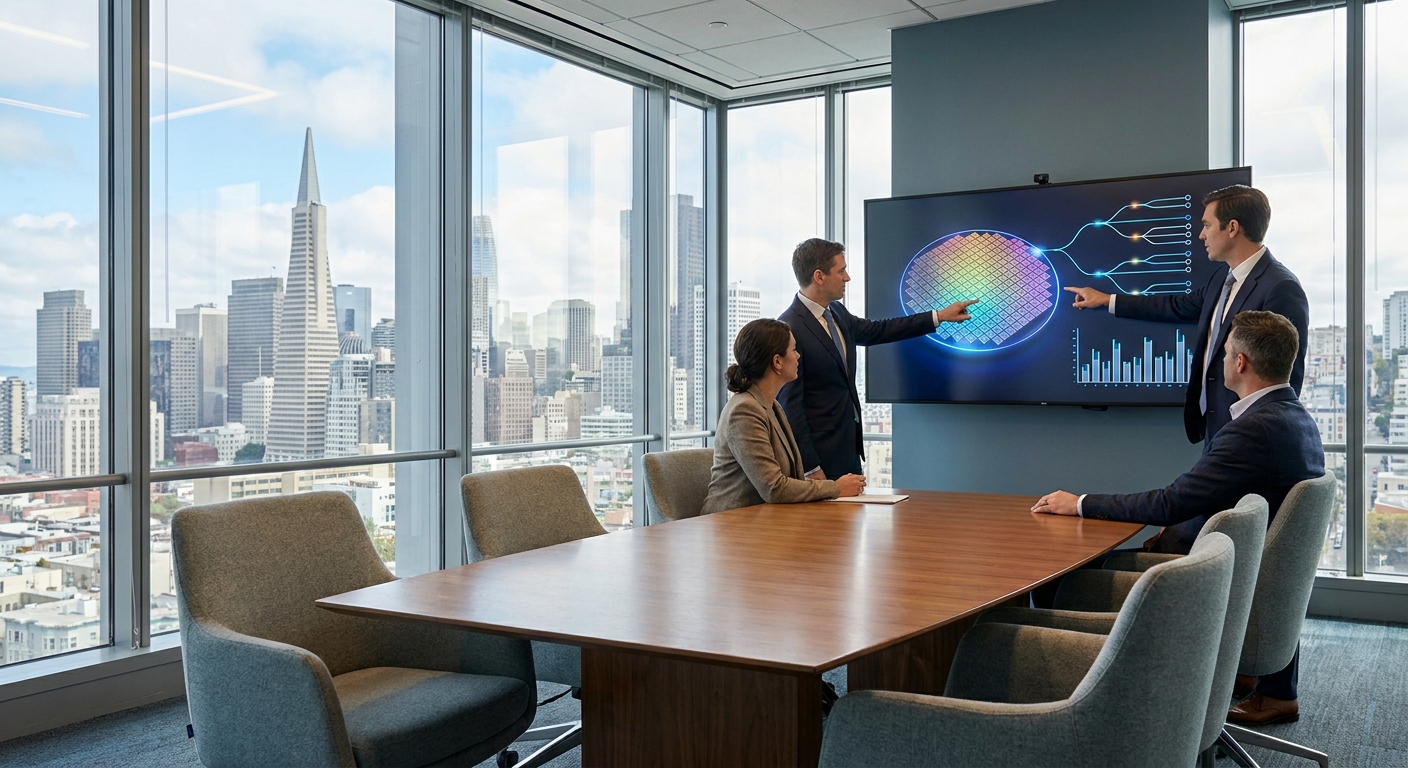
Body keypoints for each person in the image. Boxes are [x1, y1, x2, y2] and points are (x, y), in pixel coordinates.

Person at [1032, 310, 1323, 725]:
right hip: (1249, 582)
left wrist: (1079, 502)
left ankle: (1076, 704)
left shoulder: (1253, 430)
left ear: (1241, 363)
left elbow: (1172, 502)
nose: (1219, 361)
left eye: (1223, 353)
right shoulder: (1296, 418)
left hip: (1214, 586)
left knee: (1065, 577)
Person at [1065, 185, 1309, 453]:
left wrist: (1259, 435)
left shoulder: (1280, 287)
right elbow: (1177, 306)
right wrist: (1107, 300)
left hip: (1251, 437)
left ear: (1232, 228)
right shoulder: (1222, 278)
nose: (1201, 234)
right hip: (1216, 429)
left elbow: (1286, 377)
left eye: (1207, 225)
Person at [779, 238, 978, 481]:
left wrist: (938, 317)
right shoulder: (788, 328)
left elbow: (878, 330)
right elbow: (790, 408)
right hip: (818, 464)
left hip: (848, 453)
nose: (847, 277)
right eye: (841, 271)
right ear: (819, 276)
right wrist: (810, 468)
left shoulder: (837, 313)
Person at [701, 318, 866, 516]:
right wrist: (836, 488)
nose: (798, 356)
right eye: (794, 350)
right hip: (731, 526)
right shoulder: (744, 410)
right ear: (777, 361)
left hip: (764, 521)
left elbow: (787, 481)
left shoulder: (772, 405)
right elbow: (774, 488)